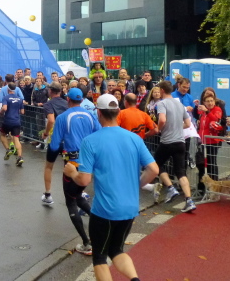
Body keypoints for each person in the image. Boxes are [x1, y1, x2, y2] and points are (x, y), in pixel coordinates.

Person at [64, 93, 158, 281]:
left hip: (104, 210)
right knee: (116, 250)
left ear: (98, 113)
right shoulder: (134, 138)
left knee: (99, 257)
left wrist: (71, 172)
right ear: (118, 112)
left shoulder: (90, 141)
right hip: (130, 207)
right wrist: (136, 185)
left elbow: (84, 180)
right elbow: (153, 169)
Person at [49, 87, 101, 255]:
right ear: (81, 99)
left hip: (72, 164)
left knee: (70, 200)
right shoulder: (91, 115)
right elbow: (100, 135)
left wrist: (52, 155)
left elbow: (54, 145)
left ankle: (87, 243)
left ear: (68, 100)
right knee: (77, 196)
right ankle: (99, 224)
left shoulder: (63, 117)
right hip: (89, 163)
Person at [151, 81, 196, 213]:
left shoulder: (162, 103)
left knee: (156, 165)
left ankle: (171, 188)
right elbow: (188, 123)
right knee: (180, 171)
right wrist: (176, 127)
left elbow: (162, 120)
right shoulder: (180, 104)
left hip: (167, 141)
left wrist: (159, 129)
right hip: (180, 142)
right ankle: (189, 200)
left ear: (162, 90)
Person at [41, 82, 69, 204]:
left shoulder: (48, 104)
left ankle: (48, 194)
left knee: (49, 166)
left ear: (50, 91)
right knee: (69, 165)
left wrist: (46, 133)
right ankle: (78, 193)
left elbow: (51, 120)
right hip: (68, 139)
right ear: (61, 91)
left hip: (55, 139)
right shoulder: (67, 103)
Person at [0, 82, 25, 166]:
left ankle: (8, 150)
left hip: (7, 120)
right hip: (16, 121)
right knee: (16, 138)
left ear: (8, 89)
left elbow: (4, 108)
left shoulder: (6, 98)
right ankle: (20, 157)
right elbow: (22, 112)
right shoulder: (20, 99)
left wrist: (1, 112)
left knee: (2, 134)